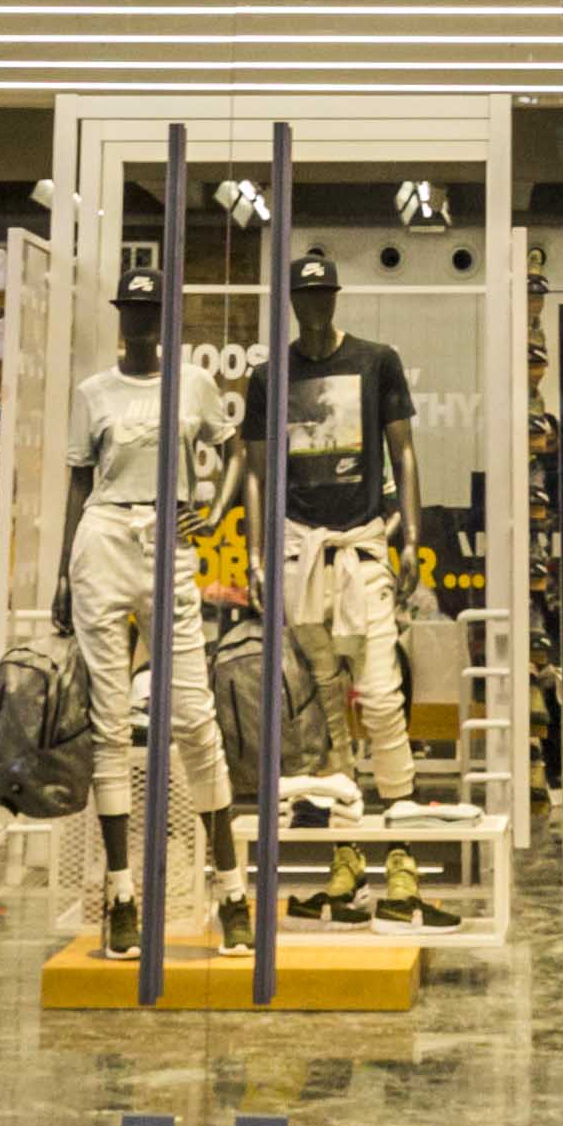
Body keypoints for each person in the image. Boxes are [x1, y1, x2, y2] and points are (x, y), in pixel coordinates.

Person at [224, 245, 439, 922]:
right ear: (293, 302)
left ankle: (401, 860)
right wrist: (256, 557)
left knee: (381, 697)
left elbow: (403, 450)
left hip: (361, 545)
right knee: (322, 712)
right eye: (305, 296)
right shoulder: (271, 377)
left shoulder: (376, 361)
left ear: (336, 298)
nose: (315, 306)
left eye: (324, 295)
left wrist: (412, 534)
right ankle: (346, 861)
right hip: (298, 551)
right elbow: (256, 470)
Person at [55, 266, 246, 956]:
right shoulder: (93, 392)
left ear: (166, 316)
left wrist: (213, 514)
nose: (139, 321)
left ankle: (232, 891)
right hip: (104, 536)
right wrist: (62, 574)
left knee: (193, 716)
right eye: (131, 310)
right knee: (110, 723)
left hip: (169, 538)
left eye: (150, 309)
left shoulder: (193, 383)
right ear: (120, 315)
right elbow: (79, 482)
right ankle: (121, 895)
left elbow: (235, 452)